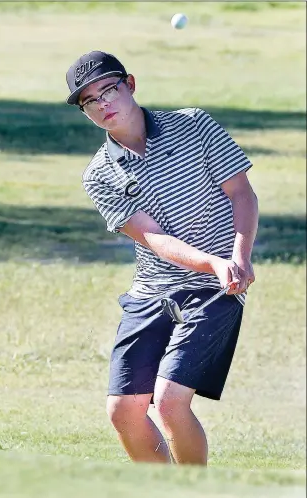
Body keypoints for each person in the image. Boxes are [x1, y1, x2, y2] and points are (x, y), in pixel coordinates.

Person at [65, 51, 259, 465]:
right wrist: (214, 261)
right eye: (89, 101)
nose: (103, 104)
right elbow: (153, 239)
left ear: (130, 84)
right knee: (123, 411)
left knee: (170, 403)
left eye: (109, 89)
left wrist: (237, 259)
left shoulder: (194, 125)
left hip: (215, 287)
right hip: (153, 290)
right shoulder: (99, 174)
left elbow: (242, 193)